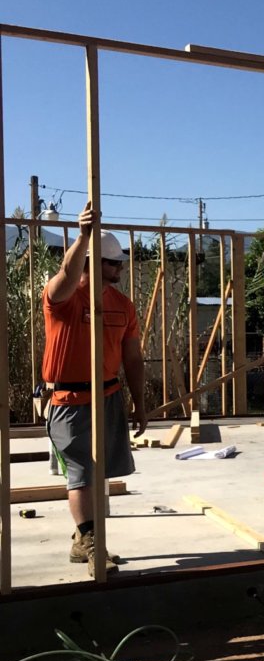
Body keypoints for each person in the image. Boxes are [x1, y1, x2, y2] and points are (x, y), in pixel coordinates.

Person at [41, 203, 147, 577]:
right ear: (94, 262)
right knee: (82, 472)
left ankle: (82, 537)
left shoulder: (123, 306)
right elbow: (67, 276)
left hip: (109, 395)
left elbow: (132, 358)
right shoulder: (64, 298)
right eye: (114, 263)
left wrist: (139, 402)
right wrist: (83, 236)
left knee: (98, 474)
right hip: (69, 399)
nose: (119, 269)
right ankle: (90, 541)